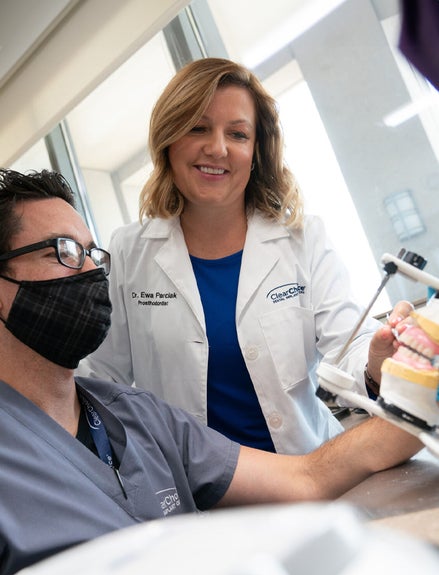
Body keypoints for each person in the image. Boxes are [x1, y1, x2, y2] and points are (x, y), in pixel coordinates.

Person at [0, 168, 422, 575]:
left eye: (92, 254)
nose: (92, 272)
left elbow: (308, 476)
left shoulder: (140, 418)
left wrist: (422, 393)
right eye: (63, 252)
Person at [79, 57, 407, 454]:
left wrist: (377, 359)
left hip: (309, 469)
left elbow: (349, 344)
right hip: (198, 493)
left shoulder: (301, 239)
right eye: (198, 128)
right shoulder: (130, 252)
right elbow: (100, 379)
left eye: (237, 134)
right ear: (169, 141)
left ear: (256, 150)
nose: (217, 149)